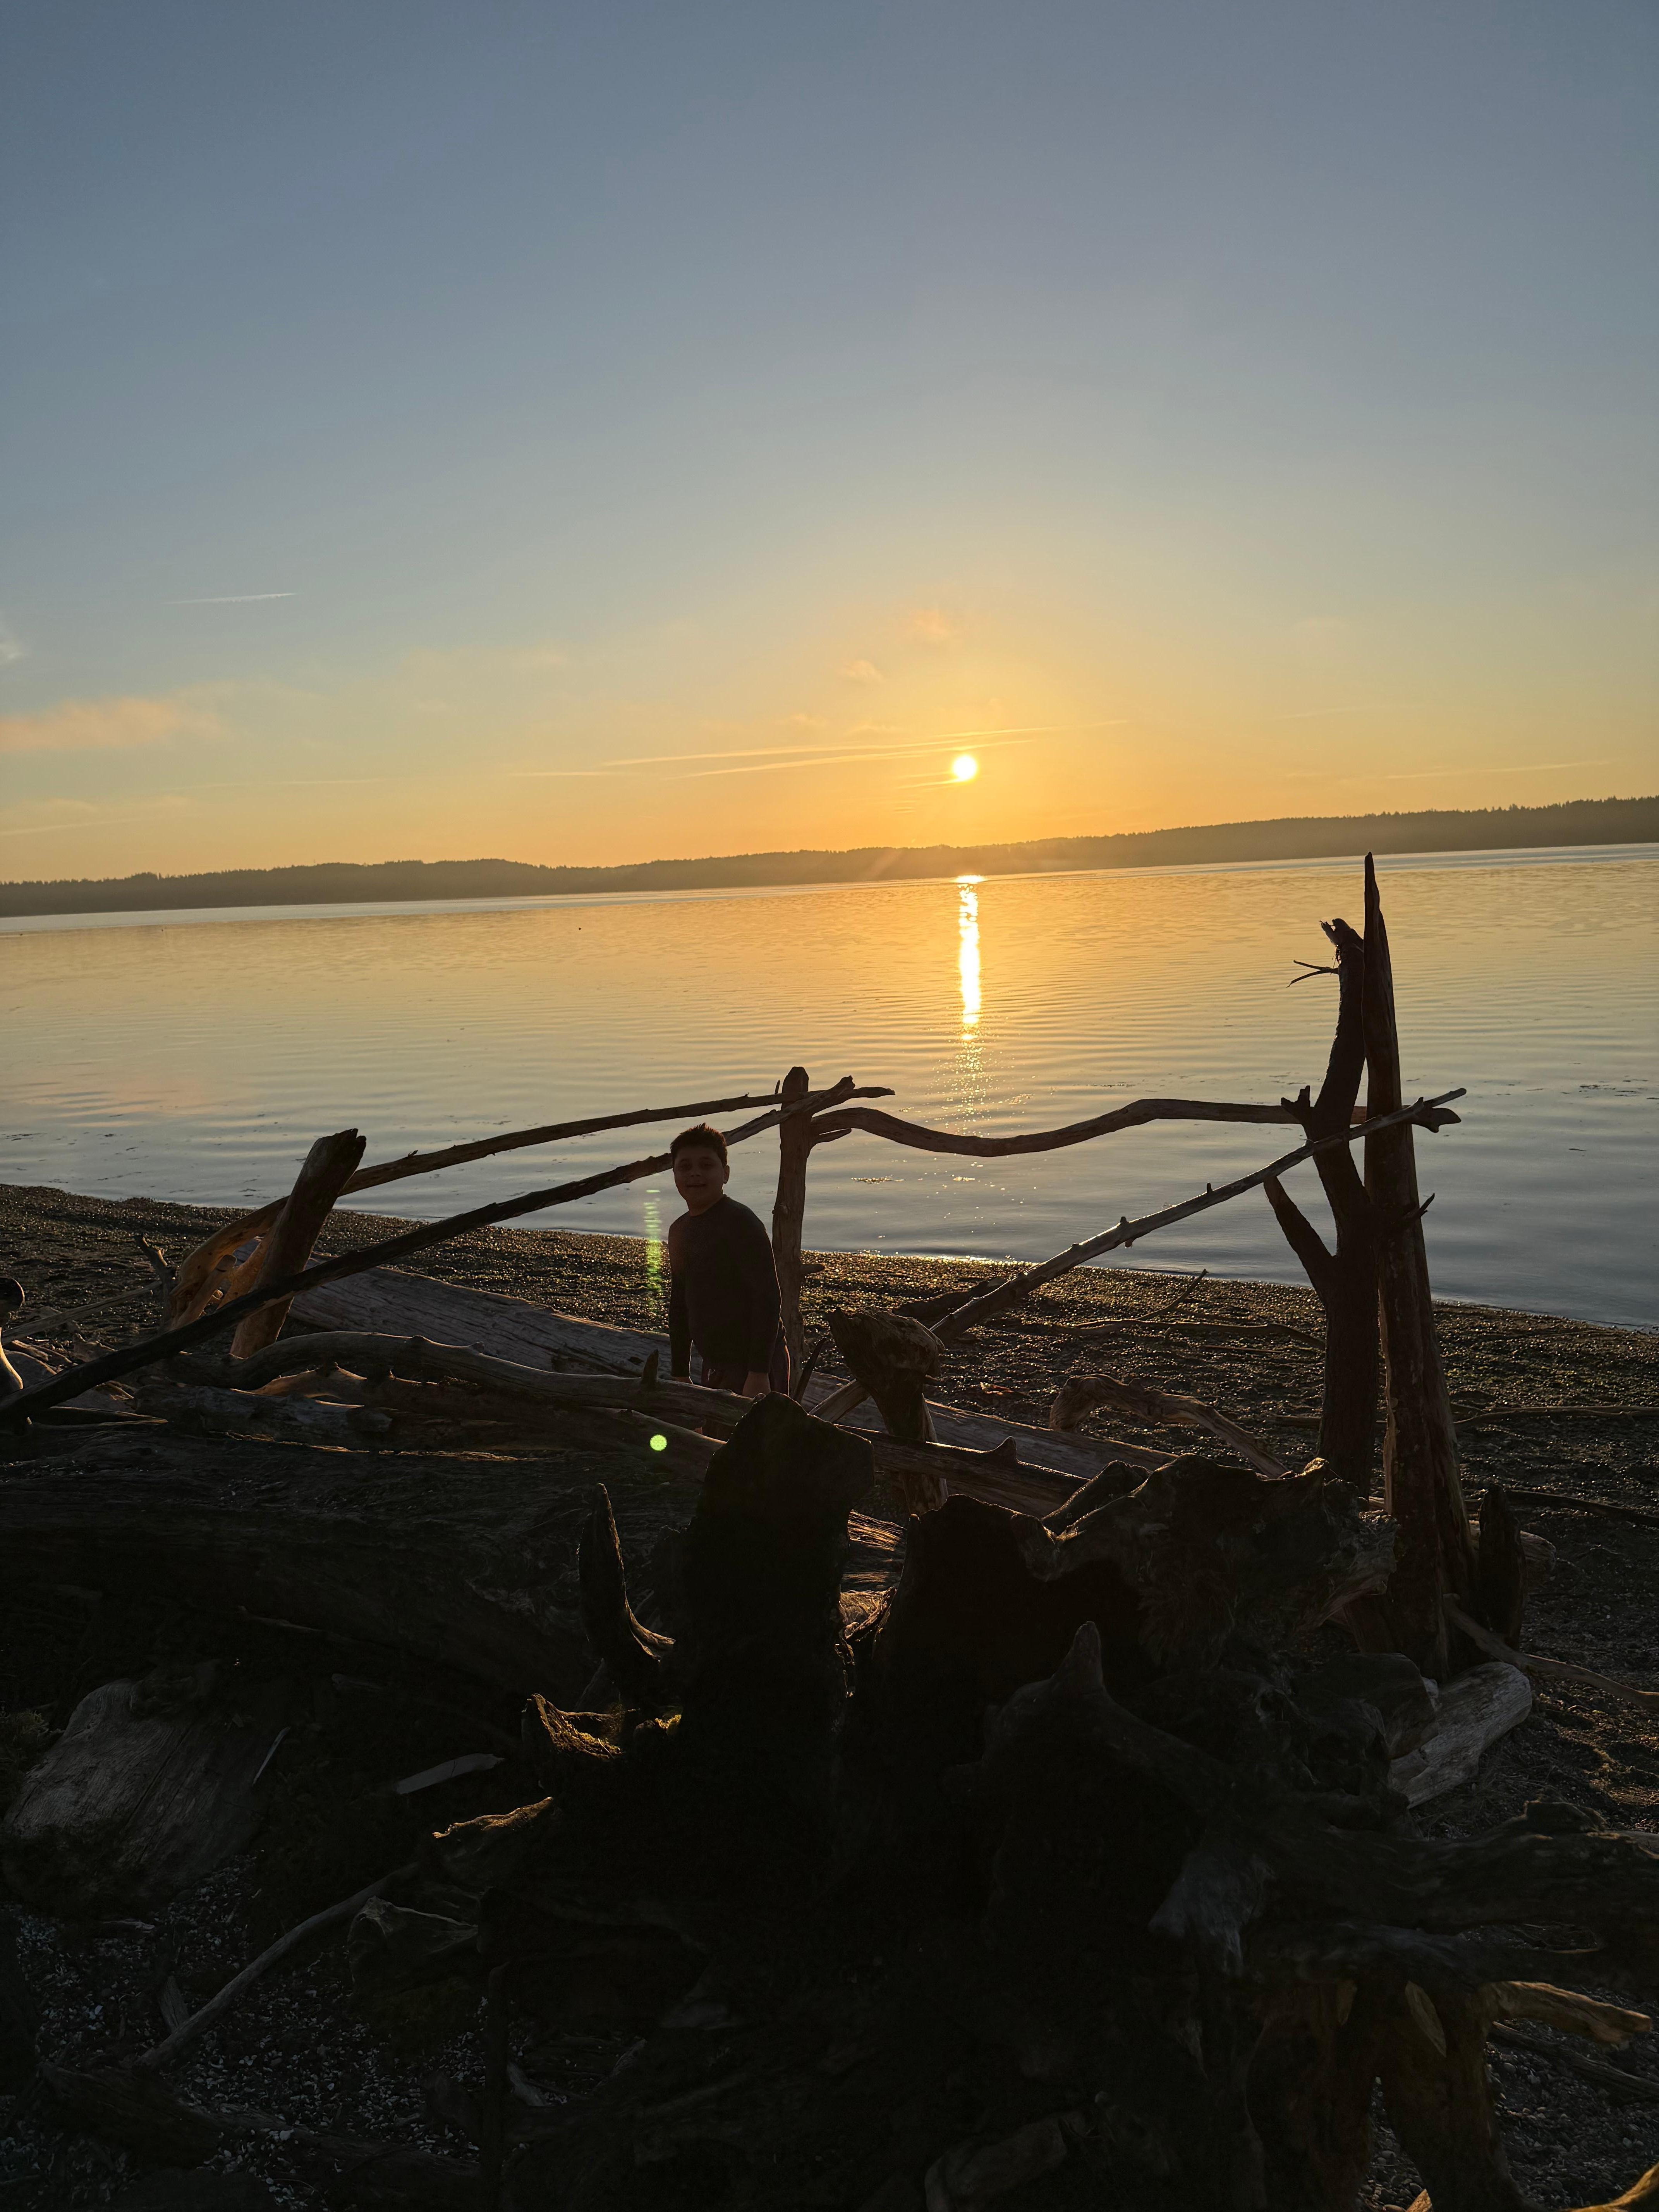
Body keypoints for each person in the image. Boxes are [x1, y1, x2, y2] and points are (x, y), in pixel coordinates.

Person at [666, 1123, 789, 1398]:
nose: (695, 1173)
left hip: (756, 1363)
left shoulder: (740, 1222)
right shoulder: (679, 1231)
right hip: (715, 1362)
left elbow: (768, 1298)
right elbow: (680, 1305)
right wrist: (680, 1371)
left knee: (757, 1427)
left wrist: (759, 1373)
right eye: (685, 1166)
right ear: (674, 1175)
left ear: (726, 1174)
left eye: (706, 1165)